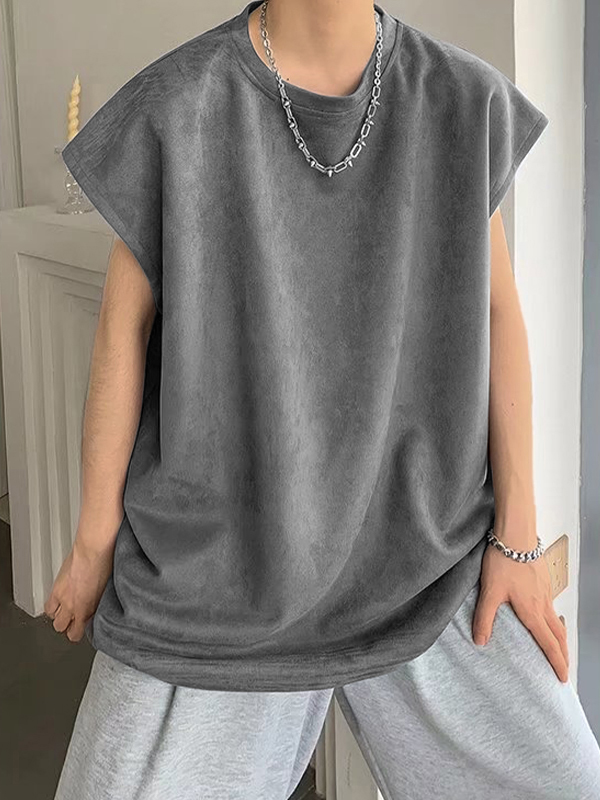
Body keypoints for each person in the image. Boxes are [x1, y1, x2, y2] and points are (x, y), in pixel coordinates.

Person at [48, 1, 600, 798]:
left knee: (567, 779)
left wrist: (518, 538)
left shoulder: (459, 99)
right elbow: (120, 333)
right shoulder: (177, 105)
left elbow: (497, 311)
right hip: (219, 580)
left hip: (426, 564)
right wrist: (93, 544)